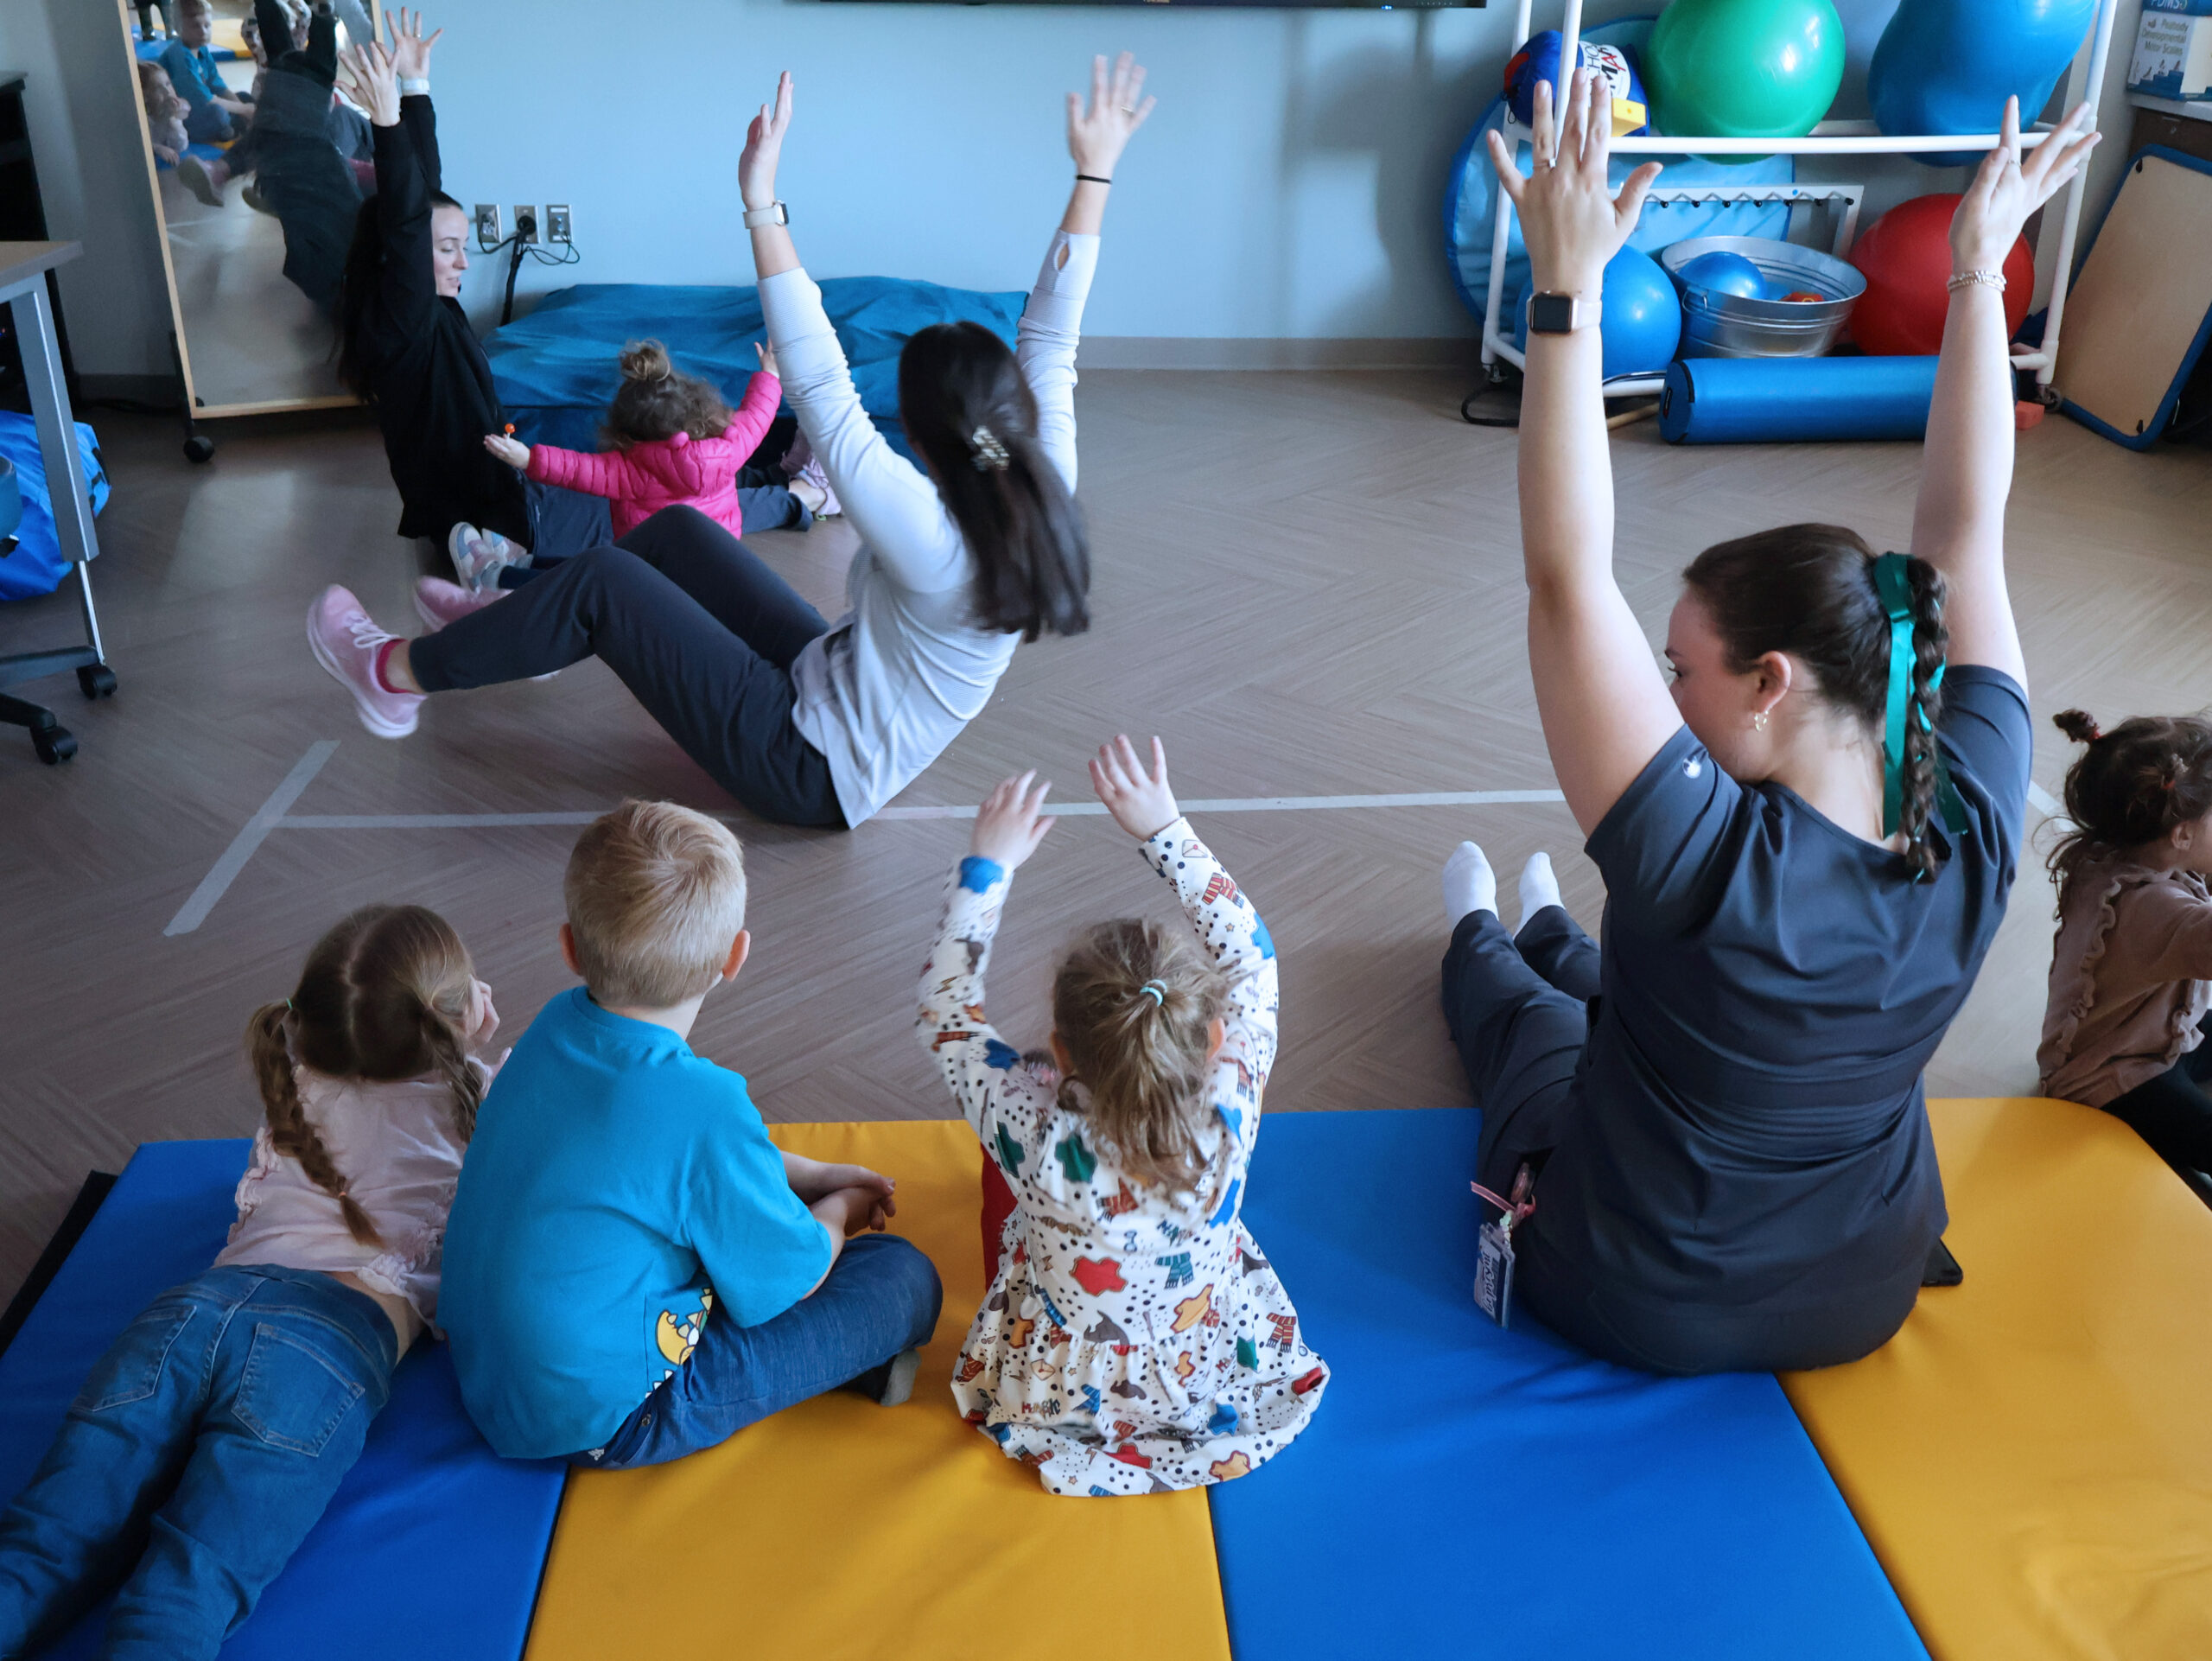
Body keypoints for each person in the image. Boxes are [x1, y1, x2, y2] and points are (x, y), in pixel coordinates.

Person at [1437, 80, 2101, 1376]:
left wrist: (1565, 290)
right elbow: (1963, 535)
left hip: (1636, 1295)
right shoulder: (1965, 792)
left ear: (1772, 682)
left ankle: (1478, 930)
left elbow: (1567, 573)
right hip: (1863, 1293)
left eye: (1680, 667)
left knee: (1539, 1028)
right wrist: (1979, 276)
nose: (1662, 690)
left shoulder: (1701, 857)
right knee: (1612, 985)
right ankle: (1553, 932)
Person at [304, 54, 1149, 829]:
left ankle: (393, 677)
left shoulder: (931, 535)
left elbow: (823, 386)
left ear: (927, 442)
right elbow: (1053, 337)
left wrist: (760, 200)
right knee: (675, 531)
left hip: (806, 765)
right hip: (829, 680)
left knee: (604, 581)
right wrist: (1094, 171)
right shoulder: (1037, 467)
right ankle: (517, 614)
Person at [0, 905, 497, 1661]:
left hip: (192, 1313)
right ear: (458, 1018)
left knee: (35, 1551)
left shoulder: (296, 1078)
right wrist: (470, 1045)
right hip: (324, 1346)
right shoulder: (485, 1105)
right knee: (181, 1593)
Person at [437, 800, 944, 1467]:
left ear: (568, 948)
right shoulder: (705, 1105)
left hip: (487, 1377)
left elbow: (671, 1160)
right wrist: (842, 1206)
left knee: (714, 1220)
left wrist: (814, 1177)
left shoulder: (554, 1028)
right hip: (604, 1419)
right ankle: (851, 1361)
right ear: (736, 957)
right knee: (902, 1276)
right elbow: (795, 1276)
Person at [917, 739, 1325, 1495]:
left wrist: (988, 868)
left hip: (1061, 1395)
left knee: (1000, 1136)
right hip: (1201, 1371)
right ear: (1210, 1040)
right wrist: (1163, 828)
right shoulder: (1229, 1104)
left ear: (1061, 1052)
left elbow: (947, 1014)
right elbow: (1254, 962)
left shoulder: (1036, 1134)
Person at [329, 12, 611, 586]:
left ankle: (491, 562)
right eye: (450, 249)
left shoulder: (412, 308)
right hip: (500, 511)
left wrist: (415, 89)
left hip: (494, 495)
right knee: (672, 503)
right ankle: (497, 566)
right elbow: (409, 219)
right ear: (403, 258)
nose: (464, 262)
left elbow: (423, 189)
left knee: (651, 479)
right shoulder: (403, 318)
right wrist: (384, 120)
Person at [2037, 709, 2212, 1176]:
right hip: (2113, 1078)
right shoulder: (2151, 912)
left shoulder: (2121, 850)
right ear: (2182, 834)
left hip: (2156, 1029)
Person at [478, 338, 820, 548]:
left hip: (655, 560)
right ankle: (801, 488)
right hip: (721, 553)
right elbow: (757, 415)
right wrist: (769, 375)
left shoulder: (629, 469)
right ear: (696, 407)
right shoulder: (728, 448)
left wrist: (527, 458)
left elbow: (576, 469)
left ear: (625, 430)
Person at [157, 0, 251, 146]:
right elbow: (202, 98)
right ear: (179, 27)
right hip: (180, 116)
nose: (203, 31)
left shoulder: (202, 50)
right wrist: (243, 110)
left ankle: (237, 126)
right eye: (196, 26)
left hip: (200, 108)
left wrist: (243, 109)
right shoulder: (180, 56)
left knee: (244, 97)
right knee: (219, 112)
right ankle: (229, 130)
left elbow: (218, 86)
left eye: (207, 25)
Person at [137, 61, 190, 168]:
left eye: (168, 84)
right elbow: (133, 146)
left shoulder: (169, 110)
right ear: (145, 96)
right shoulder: (140, 118)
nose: (167, 92)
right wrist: (155, 148)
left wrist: (173, 119)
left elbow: (181, 146)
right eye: (158, 88)